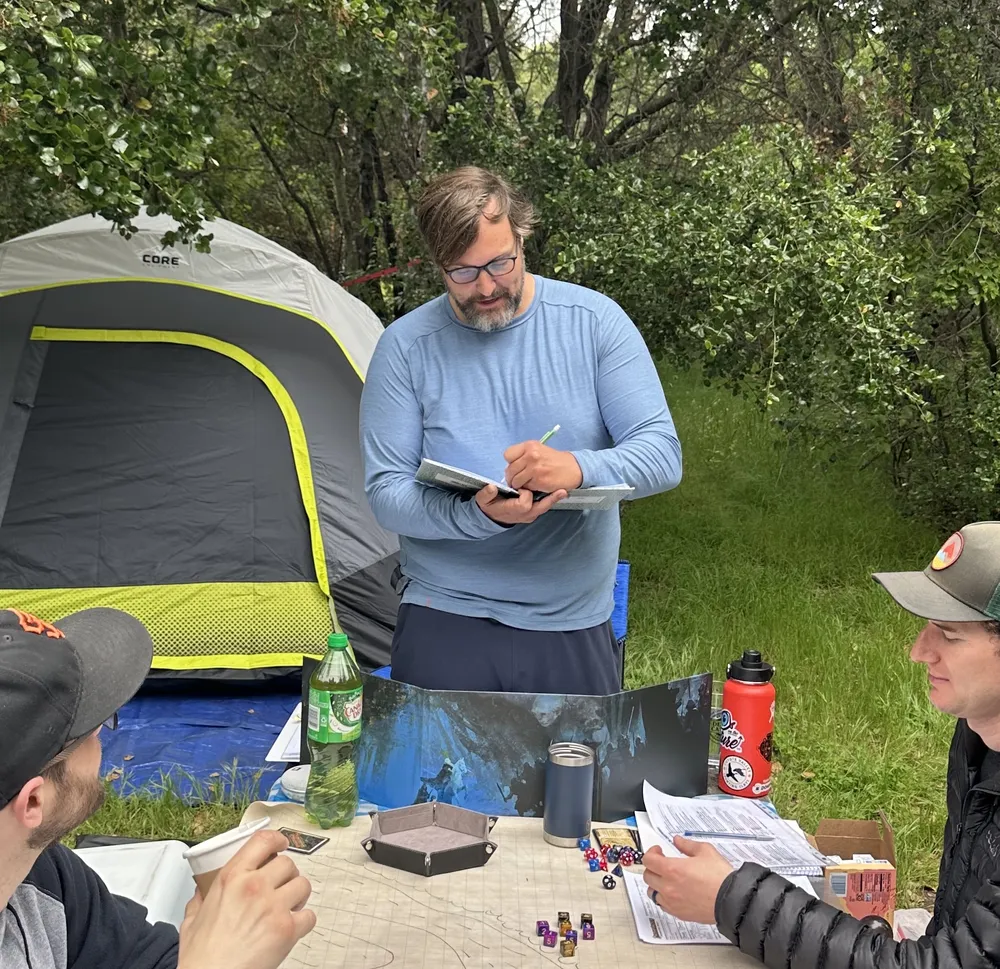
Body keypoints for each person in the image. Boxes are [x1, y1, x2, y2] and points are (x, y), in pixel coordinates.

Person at [360, 166, 682, 695]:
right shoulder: (405, 348)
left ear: (521, 234)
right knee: (443, 778)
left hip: (570, 617)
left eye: (500, 263)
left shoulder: (594, 322)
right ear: (436, 266)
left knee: (570, 777)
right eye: (462, 273)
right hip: (444, 610)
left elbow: (662, 455)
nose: (486, 286)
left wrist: (578, 468)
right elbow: (386, 496)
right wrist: (478, 516)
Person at [643, 519, 1000, 969]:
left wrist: (728, 899)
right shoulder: (979, 734)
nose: (919, 651)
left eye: (947, 634)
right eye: (927, 627)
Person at [0, 605, 316, 969]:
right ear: (34, 801)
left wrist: (217, 939)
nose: (102, 734)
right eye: (90, 727)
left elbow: (142, 957)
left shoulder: (41, 875)